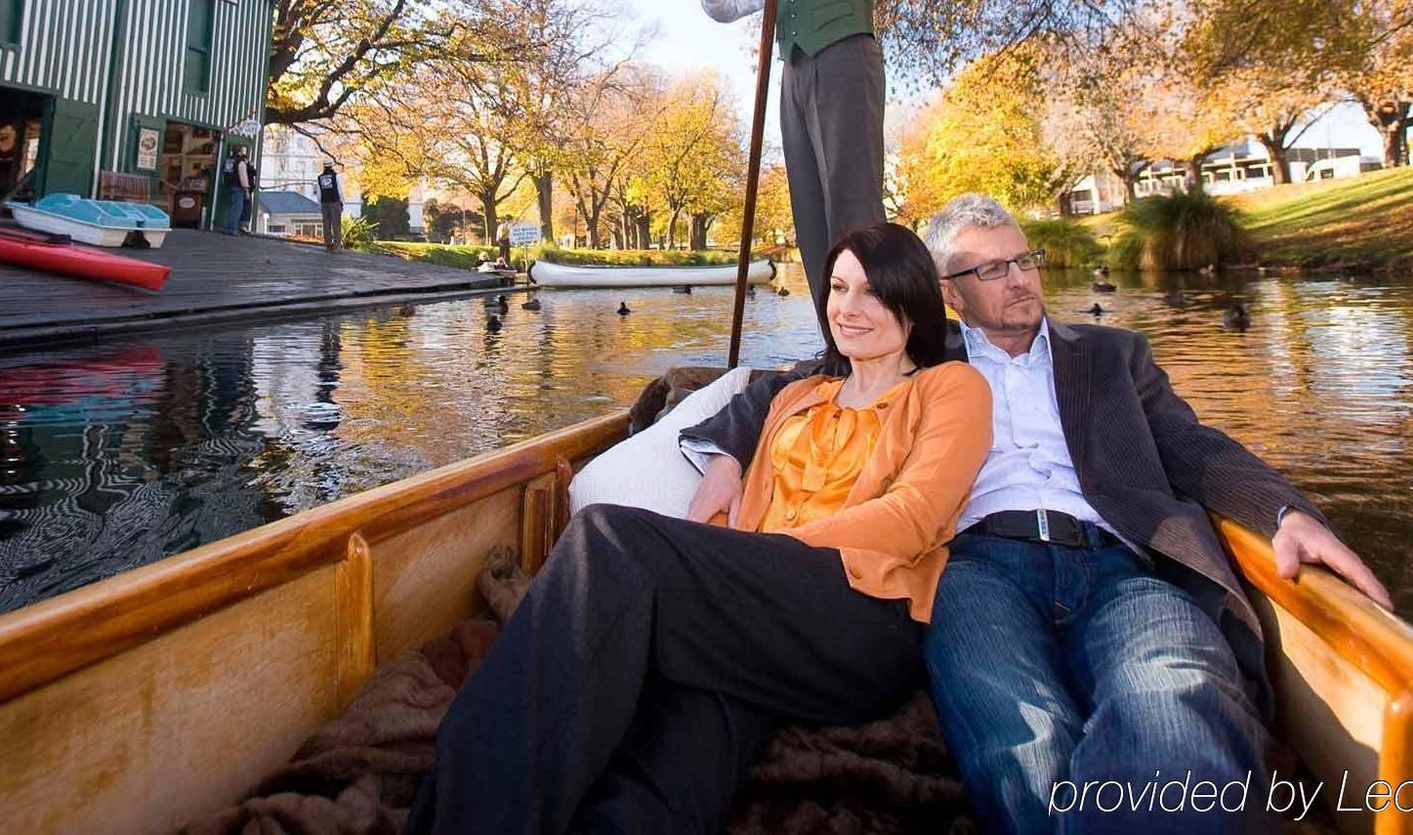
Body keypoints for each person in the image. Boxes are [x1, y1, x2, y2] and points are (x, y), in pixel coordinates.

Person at [682, 194, 1392, 834]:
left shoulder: (1112, 355)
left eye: (1024, 260)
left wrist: (1282, 511)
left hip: (1120, 564)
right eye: (991, 270)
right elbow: (782, 387)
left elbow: (1192, 446)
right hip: (976, 568)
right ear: (948, 294)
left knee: (1177, 686)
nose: (1019, 278)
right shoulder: (918, 354)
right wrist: (725, 456)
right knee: (1019, 736)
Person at [405, 223, 992, 834]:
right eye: (838, 288)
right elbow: (729, 473)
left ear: (911, 299)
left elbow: (915, 518)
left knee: (606, 540)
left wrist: (747, 558)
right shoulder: (798, 396)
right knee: (681, 752)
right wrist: (726, 514)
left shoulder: (949, 388)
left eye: (872, 292)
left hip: (860, 616)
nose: (848, 307)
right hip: (755, 613)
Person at [697, 0, 887, 314]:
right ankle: (835, 342)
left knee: (853, 200)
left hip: (846, 56)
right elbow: (735, 3)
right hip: (795, 69)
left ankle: (877, 332)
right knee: (810, 206)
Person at [222, 147, 252, 236]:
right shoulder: (241, 162)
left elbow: (226, 174)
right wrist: (246, 189)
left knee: (230, 208)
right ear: (240, 152)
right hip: (238, 187)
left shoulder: (229, 161)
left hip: (229, 186)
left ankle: (227, 227)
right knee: (237, 209)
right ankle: (231, 229)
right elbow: (243, 176)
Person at [316, 161, 342, 253]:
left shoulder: (319, 178)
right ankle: (336, 246)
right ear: (331, 166)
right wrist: (341, 201)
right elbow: (339, 190)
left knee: (326, 225)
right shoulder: (336, 176)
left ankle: (328, 246)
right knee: (336, 225)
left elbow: (318, 193)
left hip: (324, 203)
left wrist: (320, 204)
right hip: (334, 202)